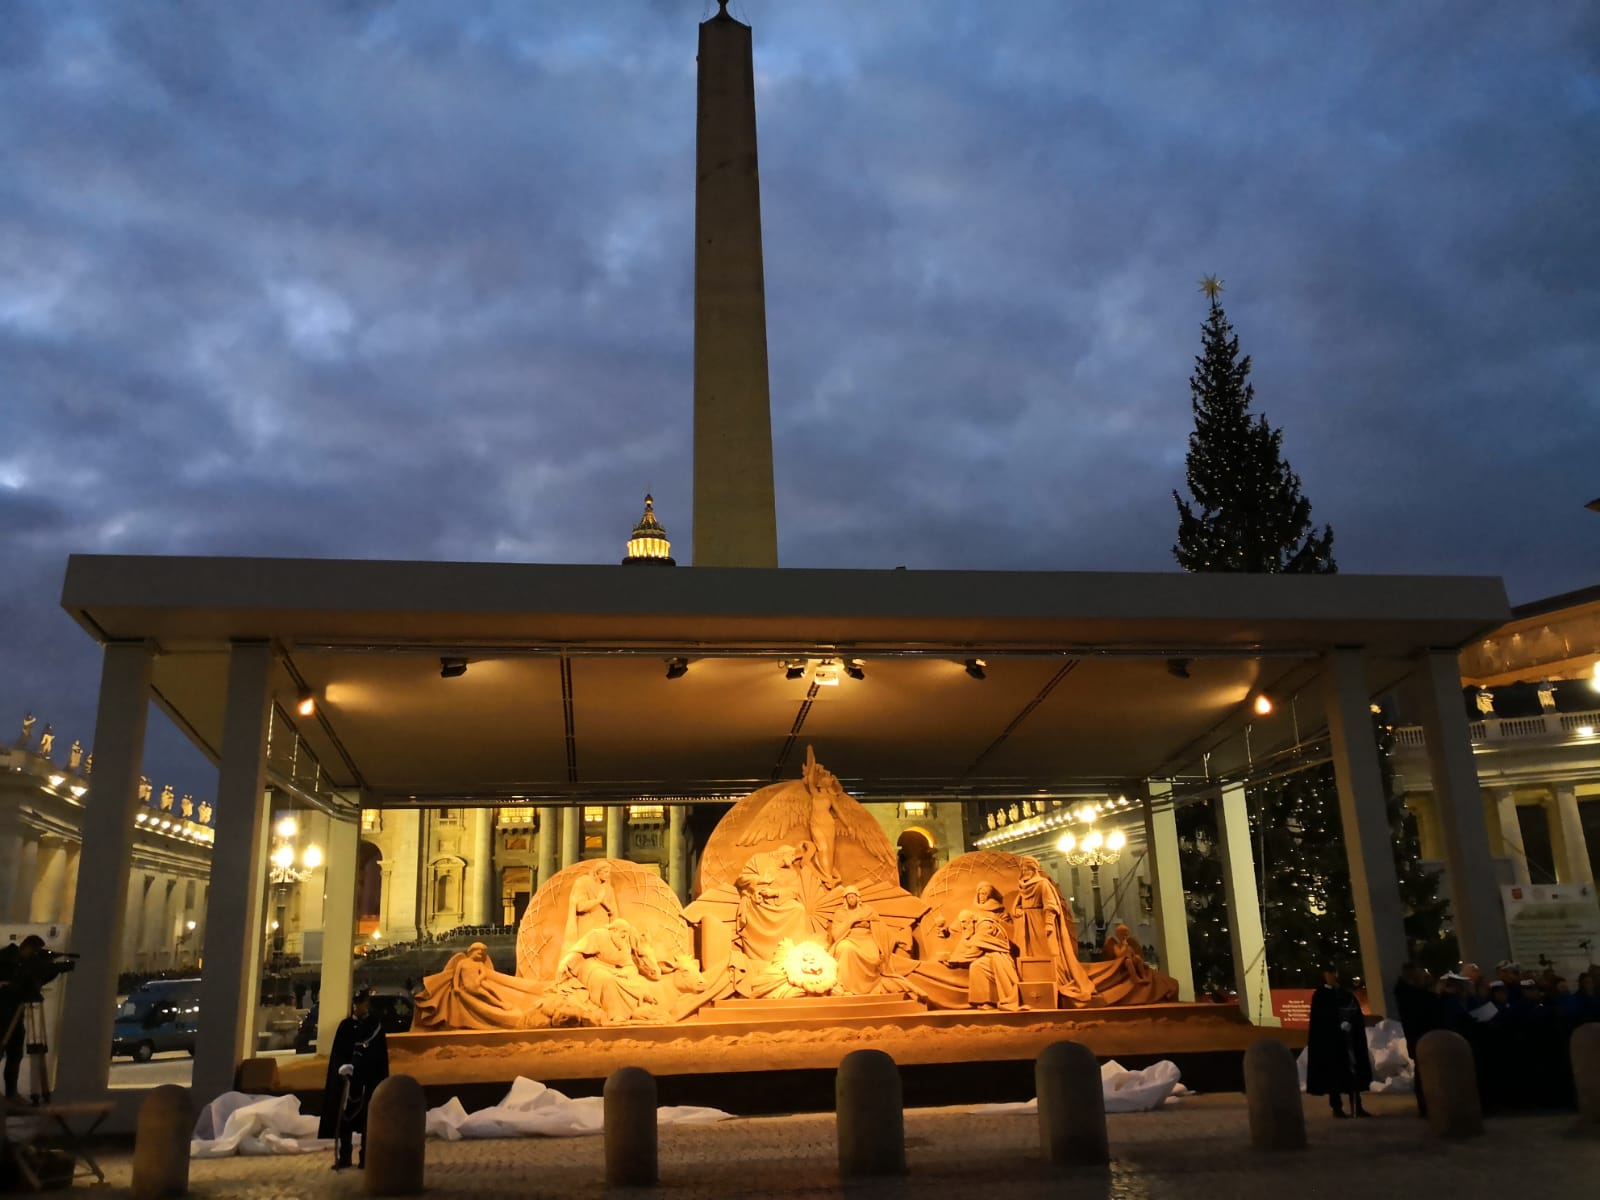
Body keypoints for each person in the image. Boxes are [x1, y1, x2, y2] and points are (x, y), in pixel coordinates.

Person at [318, 988, 390, 1170]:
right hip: (349, 1082)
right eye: (356, 1003)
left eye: (361, 1003)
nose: (357, 1006)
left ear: (367, 1004)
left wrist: (360, 1066)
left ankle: (366, 1156)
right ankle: (345, 1156)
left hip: (368, 1080)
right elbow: (338, 1052)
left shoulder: (375, 1026)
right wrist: (342, 1067)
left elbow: (376, 1053)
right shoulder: (346, 1026)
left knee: (367, 1119)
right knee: (345, 1119)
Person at [0, 936, 70, 1106]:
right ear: (29, 948)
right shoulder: (6, 958)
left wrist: (53, 970)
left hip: (16, 1012)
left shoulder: (26, 965)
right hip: (3, 1012)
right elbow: (15, 981)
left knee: (15, 1052)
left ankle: (11, 1093)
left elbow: (33, 981)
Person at [1306, 965, 1372, 1118]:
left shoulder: (1345, 994)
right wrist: (1336, 1026)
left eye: (1334, 972)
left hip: (1347, 1041)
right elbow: (1320, 1020)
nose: (1333, 975)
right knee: (1333, 1076)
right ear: (1325, 975)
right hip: (1332, 1044)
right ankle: (1337, 1107)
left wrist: (1351, 1024)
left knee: (1352, 1073)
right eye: (1330, 973)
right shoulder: (1320, 995)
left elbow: (1354, 1011)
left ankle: (1357, 1105)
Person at [1392, 962, 1439, 1117]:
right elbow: (1427, 1002)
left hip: (1418, 1036)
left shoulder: (1407, 991)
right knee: (1423, 1072)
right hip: (1419, 1036)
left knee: (1422, 1071)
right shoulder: (1410, 994)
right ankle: (1426, 1105)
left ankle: (1426, 1105)